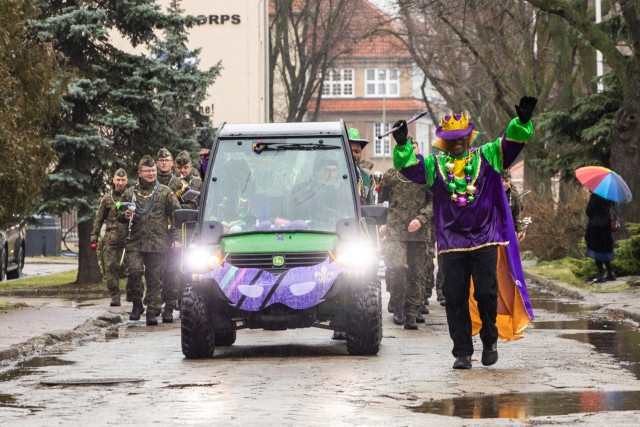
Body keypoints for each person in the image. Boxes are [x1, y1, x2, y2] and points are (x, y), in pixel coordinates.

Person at [392, 96, 538, 369]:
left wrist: (522, 121)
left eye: (462, 137)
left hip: (485, 239)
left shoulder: (488, 155)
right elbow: (411, 169)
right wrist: (402, 144)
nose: (458, 141)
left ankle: (490, 339)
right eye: (452, 138)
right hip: (451, 243)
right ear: (445, 141)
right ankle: (461, 352)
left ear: (469, 137)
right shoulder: (436, 166)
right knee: (456, 298)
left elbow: (511, 144)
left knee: (486, 294)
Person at [118, 155, 181, 326]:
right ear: (139, 172)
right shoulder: (130, 193)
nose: (151, 174)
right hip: (135, 242)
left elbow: (176, 215)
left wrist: (176, 238)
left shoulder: (165, 192)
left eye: (153, 170)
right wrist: (124, 215)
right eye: (147, 171)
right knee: (134, 272)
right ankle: (137, 303)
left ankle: (152, 311)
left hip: (158, 243)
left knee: (155, 278)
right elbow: (118, 212)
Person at [378, 136, 432, 330]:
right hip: (395, 231)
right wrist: (382, 223)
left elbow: (434, 202)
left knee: (417, 273)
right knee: (397, 269)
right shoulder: (391, 176)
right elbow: (382, 202)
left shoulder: (426, 174)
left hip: (419, 232)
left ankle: (411, 313)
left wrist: (421, 218)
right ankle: (399, 306)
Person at [90, 168, 129, 307]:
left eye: (123, 180)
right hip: (112, 237)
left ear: (127, 181)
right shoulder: (107, 198)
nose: (120, 183)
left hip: (129, 237)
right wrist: (94, 235)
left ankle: (131, 293)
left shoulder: (131, 196)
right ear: (113, 180)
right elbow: (99, 219)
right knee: (110, 266)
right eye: (118, 180)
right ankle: (115, 295)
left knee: (133, 266)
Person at [156, 148, 186, 322]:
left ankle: (170, 306)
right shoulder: (151, 183)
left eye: (167, 160)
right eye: (161, 161)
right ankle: (155, 305)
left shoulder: (179, 183)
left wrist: (177, 237)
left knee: (173, 272)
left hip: (172, 233)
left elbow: (179, 212)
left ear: (172, 163)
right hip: (155, 233)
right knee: (155, 272)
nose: (164, 163)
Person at [585, 192, 616, 283]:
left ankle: (601, 274)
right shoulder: (609, 195)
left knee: (596, 249)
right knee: (605, 249)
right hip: (606, 226)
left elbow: (589, 212)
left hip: (595, 226)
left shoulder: (595, 196)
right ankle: (610, 272)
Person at [347, 128, 373, 205]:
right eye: (351, 151)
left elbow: (370, 203)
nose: (354, 154)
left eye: (357, 151)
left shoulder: (365, 177)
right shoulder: (337, 174)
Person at [502, 169, 527, 242]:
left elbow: (517, 215)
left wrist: (520, 230)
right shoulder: (491, 193)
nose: (504, 184)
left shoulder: (514, 195)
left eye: (506, 181)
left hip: (508, 230)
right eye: (502, 181)